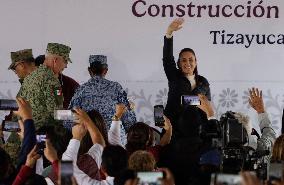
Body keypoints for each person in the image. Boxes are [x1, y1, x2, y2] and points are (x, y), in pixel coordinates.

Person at [69, 55, 136, 144]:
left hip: (90, 142)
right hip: (116, 144)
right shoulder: (116, 88)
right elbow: (130, 121)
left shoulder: (81, 90)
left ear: (89, 70)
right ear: (106, 70)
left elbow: (70, 119)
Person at [163, 18, 211, 139]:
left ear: (196, 62)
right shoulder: (174, 76)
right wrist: (169, 33)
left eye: (191, 59)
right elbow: (168, 59)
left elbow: (207, 105)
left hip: (196, 133)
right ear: (179, 63)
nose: (187, 63)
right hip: (173, 132)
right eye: (183, 60)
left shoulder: (203, 81)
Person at [17, 43, 71, 129]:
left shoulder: (31, 76)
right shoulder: (51, 80)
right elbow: (56, 114)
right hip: (40, 134)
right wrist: (76, 116)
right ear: (55, 60)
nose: (66, 66)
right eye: (65, 61)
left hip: (26, 131)